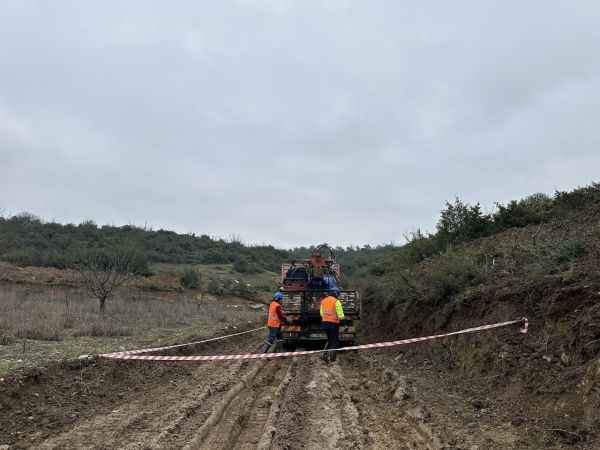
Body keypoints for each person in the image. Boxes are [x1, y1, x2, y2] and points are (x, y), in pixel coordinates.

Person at [320, 290, 345, 362]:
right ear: (336, 295)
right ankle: (332, 358)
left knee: (330, 339)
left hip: (325, 323)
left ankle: (324, 354)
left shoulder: (323, 301)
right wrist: (344, 323)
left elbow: (321, 313)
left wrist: (326, 318)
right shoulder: (336, 302)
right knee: (335, 341)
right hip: (333, 324)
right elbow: (340, 315)